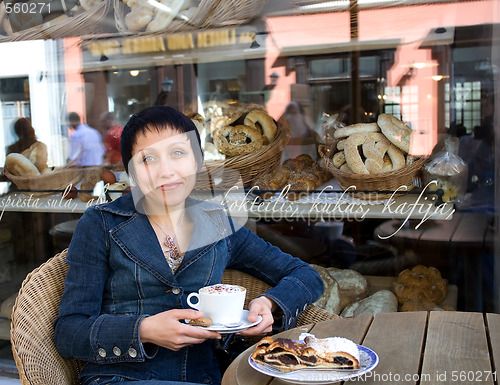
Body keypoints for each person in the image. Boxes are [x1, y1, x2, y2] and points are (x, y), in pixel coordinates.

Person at [54, 105, 323, 385]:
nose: (166, 171)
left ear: (196, 160)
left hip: (205, 376)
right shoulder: (102, 224)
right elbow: (69, 332)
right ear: (131, 172)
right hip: (121, 377)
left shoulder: (218, 224)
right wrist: (143, 329)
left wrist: (269, 304)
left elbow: (306, 275)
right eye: (148, 159)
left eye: (178, 153)